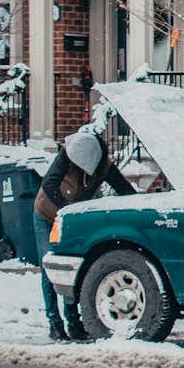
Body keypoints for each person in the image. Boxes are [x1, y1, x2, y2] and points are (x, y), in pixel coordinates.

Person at [34, 128, 135, 341]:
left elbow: (124, 189)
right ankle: (54, 323)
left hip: (72, 219)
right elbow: (49, 183)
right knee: (51, 269)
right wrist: (65, 209)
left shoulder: (103, 166)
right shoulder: (66, 154)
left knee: (73, 268)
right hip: (47, 215)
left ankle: (74, 323)